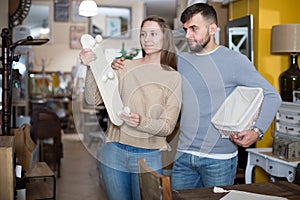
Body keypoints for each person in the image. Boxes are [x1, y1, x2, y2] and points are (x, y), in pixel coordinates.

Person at [112, 3, 282, 190]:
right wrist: (120, 65)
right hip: (183, 154)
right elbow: (151, 69)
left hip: (219, 159)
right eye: (185, 29)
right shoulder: (181, 60)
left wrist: (257, 131)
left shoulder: (235, 61)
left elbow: (272, 95)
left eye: (193, 29)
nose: (187, 35)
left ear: (212, 29)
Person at [79, 15, 182, 200]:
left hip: (149, 155)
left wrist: (141, 121)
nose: (147, 39)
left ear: (165, 38)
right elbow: (92, 99)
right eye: (143, 34)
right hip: (114, 151)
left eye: (153, 34)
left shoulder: (173, 78)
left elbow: (167, 126)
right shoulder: (124, 66)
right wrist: (90, 68)